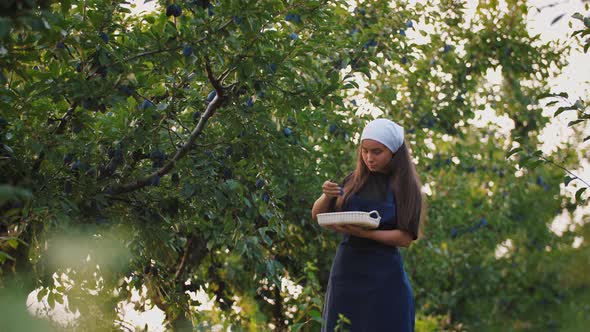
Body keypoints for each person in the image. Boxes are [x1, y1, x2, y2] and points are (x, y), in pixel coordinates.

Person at [311, 118, 425, 332]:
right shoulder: (354, 180)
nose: (369, 158)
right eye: (365, 151)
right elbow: (318, 215)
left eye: (377, 152)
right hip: (347, 272)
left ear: (393, 152)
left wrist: (365, 234)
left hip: (385, 278)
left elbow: (405, 238)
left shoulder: (406, 187)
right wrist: (325, 196)